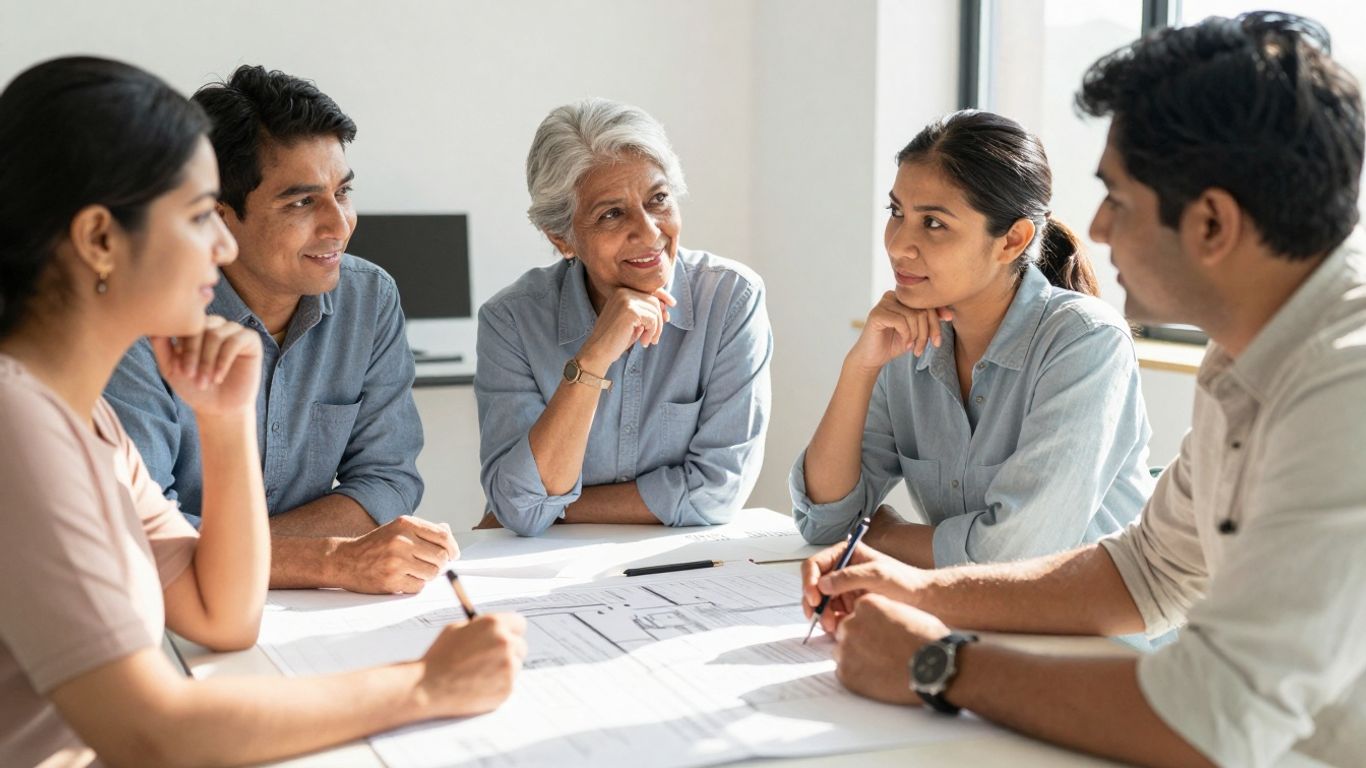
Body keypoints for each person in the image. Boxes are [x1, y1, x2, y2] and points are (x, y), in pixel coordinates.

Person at [801, 12, 1366, 767]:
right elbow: (1147, 571)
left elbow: (1215, 714)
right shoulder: (1243, 363)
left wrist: (940, 663)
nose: (1094, 229)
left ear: (1211, 222)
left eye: (1119, 199)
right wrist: (917, 589)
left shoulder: (1344, 387)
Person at [0, 56, 525, 768]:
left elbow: (224, 615)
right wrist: (426, 685)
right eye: (197, 217)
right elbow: (155, 735)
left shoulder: (86, 424)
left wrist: (224, 420)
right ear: (99, 241)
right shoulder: (17, 425)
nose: (220, 247)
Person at [104, 65, 453, 594]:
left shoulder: (368, 297)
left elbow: (388, 480)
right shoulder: (141, 324)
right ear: (217, 216)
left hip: (297, 611)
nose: (339, 225)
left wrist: (249, 556)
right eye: (301, 201)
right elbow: (144, 538)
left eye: (344, 192)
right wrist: (330, 561)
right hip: (172, 615)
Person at [791, 110, 1153, 569]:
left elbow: (1015, 555)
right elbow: (824, 522)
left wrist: (884, 533)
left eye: (934, 223)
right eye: (896, 212)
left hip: (1092, 634)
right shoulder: (906, 339)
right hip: (969, 617)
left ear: (1012, 240)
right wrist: (859, 368)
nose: (899, 244)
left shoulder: (1086, 342)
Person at [476, 98, 772, 537]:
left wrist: (556, 507)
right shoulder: (511, 321)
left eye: (658, 199)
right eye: (612, 214)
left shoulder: (731, 299)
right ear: (562, 239)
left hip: (680, 567)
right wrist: (593, 359)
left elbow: (717, 492)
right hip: (543, 564)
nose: (650, 232)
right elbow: (519, 504)